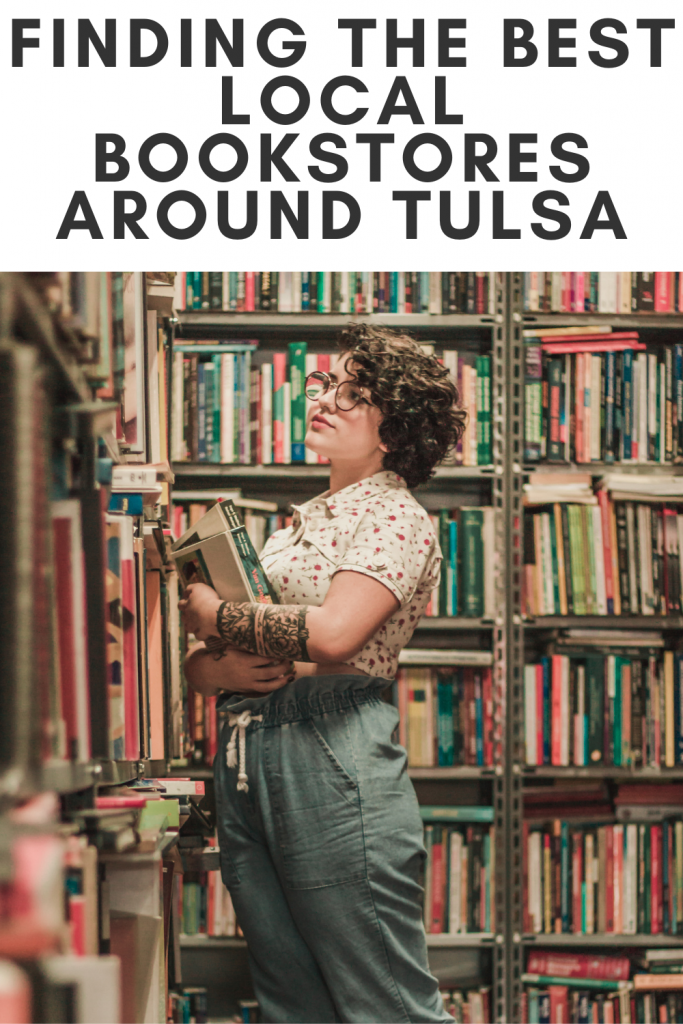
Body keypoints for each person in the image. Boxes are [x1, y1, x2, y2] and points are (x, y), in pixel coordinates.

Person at [179, 323, 466, 1024]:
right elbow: (216, 667)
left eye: (355, 394)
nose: (328, 400)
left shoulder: (395, 517)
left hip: (332, 753)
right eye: (325, 385)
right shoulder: (297, 525)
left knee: (385, 1001)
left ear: (393, 431)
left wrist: (215, 617)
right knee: (290, 1001)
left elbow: (334, 637)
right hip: (251, 753)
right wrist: (216, 667)